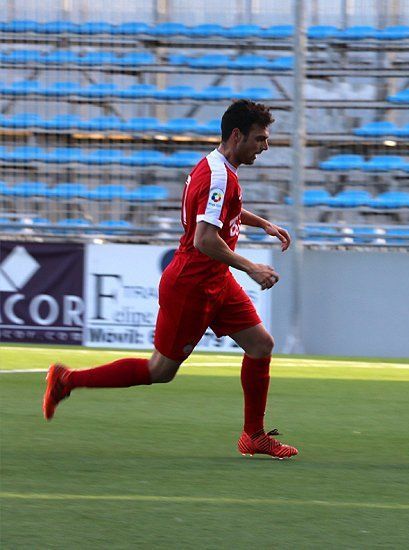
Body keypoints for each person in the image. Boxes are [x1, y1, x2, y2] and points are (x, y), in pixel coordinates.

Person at [43, 99, 299, 460]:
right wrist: (251, 267)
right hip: (192, 284)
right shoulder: (218, 175)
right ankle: (66, 380)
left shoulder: (217, 167)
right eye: (260, 138)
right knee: (159, 371)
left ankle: (253, 435)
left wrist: (263, 224)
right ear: (237, 135)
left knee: (260, 345)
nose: (265, 146)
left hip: (216, 279)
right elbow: (204, 239)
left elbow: (225, 209)